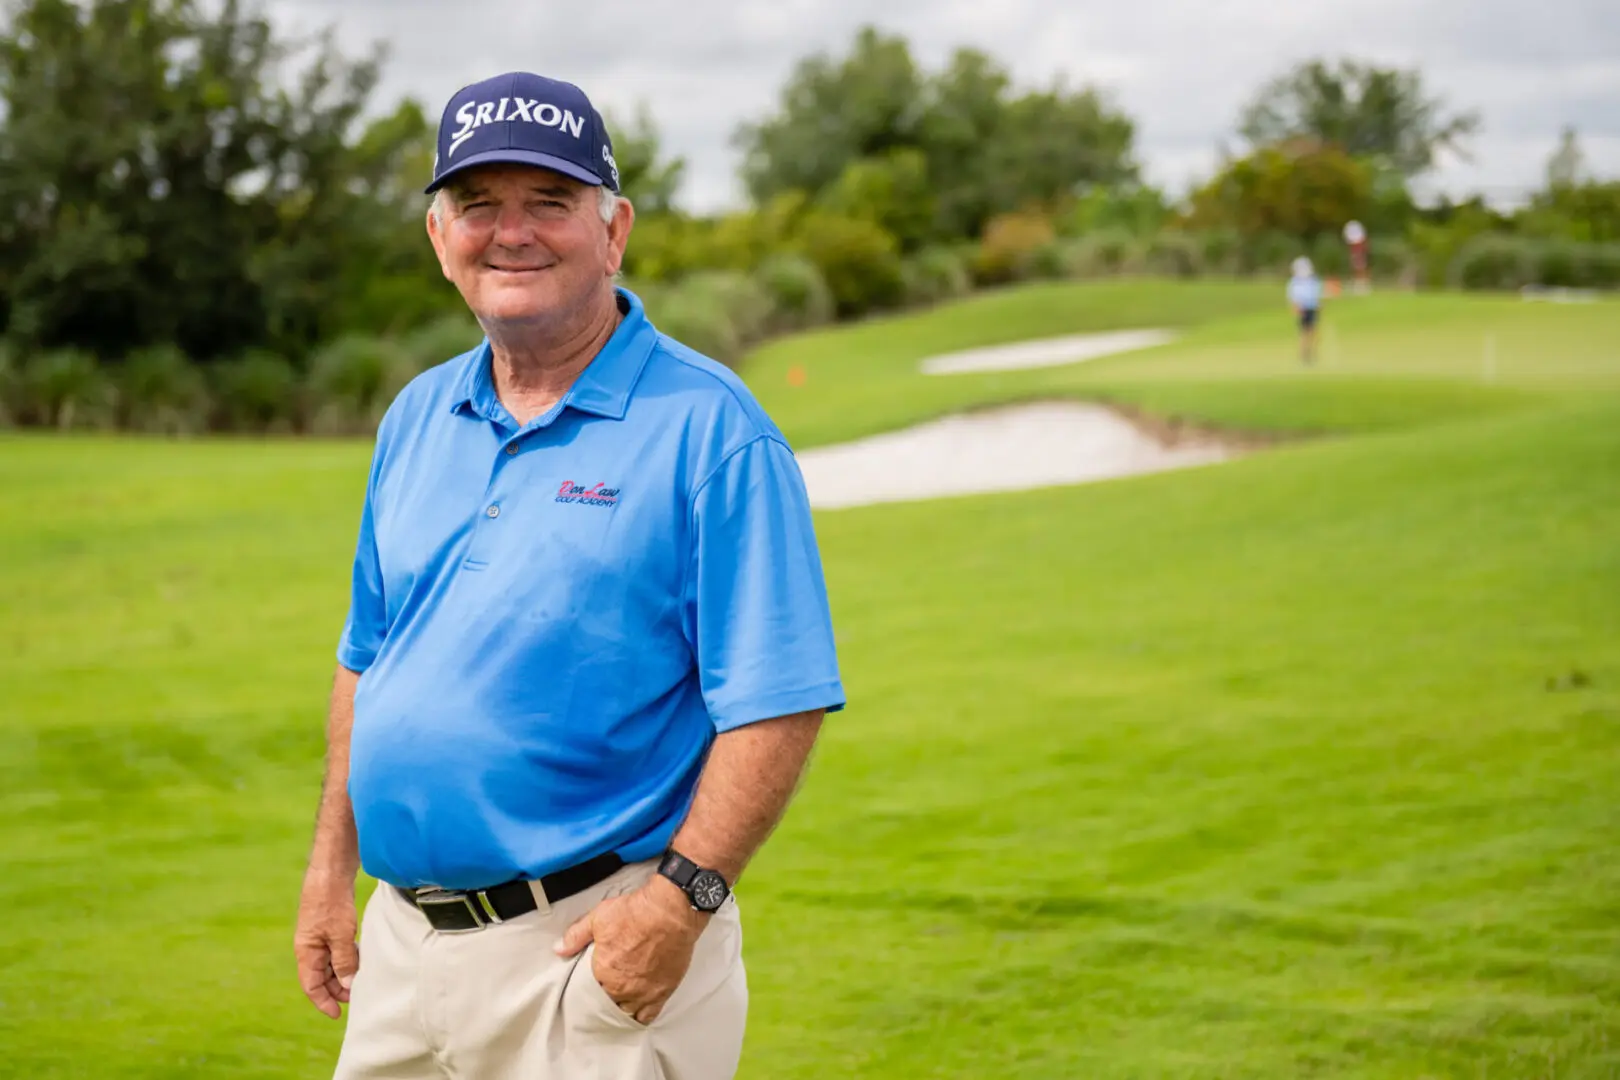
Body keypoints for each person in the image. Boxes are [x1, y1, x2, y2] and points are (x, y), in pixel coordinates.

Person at [293, 70, 846, 1080]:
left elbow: (778, 699)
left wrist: (684, 900)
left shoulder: (712, 431)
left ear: (613, 228)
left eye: (549, 202)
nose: (512, 232)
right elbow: (368, 658)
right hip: (399, 955)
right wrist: (332, 865)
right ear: (437, 236)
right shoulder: (417, 414)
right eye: (478, 205)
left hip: (587, 953)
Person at [1288, 256, 1323, 365]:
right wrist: (1295, 306)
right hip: (1303, 308)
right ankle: (1304, 354)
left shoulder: (1313, 280)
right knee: (1304, 332)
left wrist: (1319, 303)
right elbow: (1293, 296)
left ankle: (1312, 353)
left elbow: (1317, 293)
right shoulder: (1295, 282)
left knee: (1313, 331)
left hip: (1312, 307)